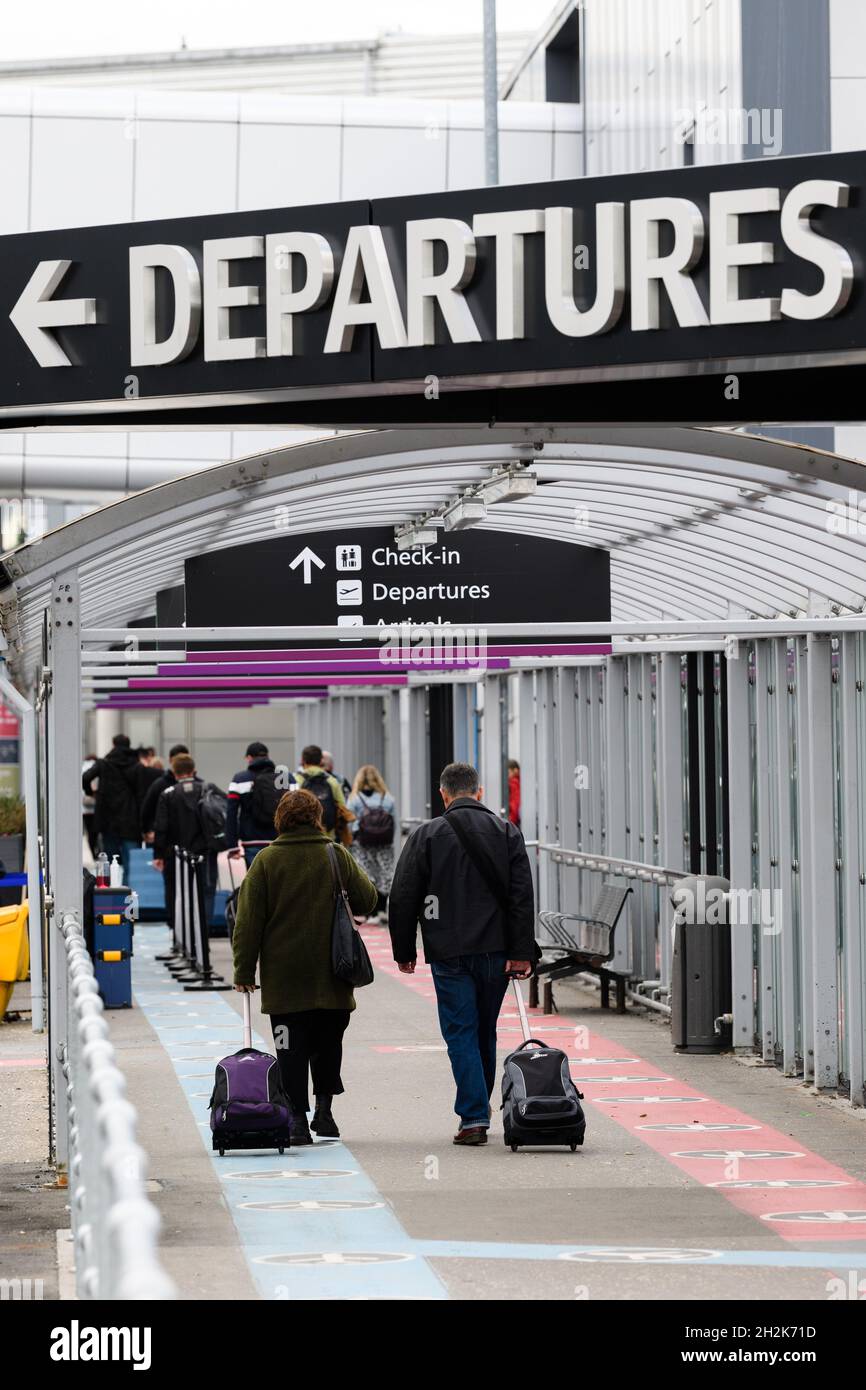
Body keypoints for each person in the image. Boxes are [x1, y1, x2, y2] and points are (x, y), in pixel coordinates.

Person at [389, 761, 536, 1147]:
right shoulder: (507, 832)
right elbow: (522, 896)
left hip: (448, 950)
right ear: (480, 792)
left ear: (443, 793)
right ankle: (476, 1110)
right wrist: (521, 951)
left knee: (460, 1031)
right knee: (484, 1030)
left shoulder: (427, 835)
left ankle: (473, 1116)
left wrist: (404, 949)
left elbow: (403, 895)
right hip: (496, 951)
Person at [232, 788, 378, 1144]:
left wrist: (244, 971)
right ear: (317, 817)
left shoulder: (266, 860)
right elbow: (368, 899)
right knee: (328, 1042)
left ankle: (297, 1120)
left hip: (285, 980)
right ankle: (325, 1112)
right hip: (334, 972)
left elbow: (248, 921)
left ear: (280, 818)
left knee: (290, 1048)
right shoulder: (336, 854)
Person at [152, 753, 218, 931]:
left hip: (176, 854)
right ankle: (202, 936)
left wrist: (158, 854)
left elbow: (161, 827)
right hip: (206, 852)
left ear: (174, 773)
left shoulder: (168, 794)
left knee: (177, 894)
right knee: (206, 893)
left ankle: (180, 937)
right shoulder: (208, 788)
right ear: (194, 771)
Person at [81, 733, 141, 878]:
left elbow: (86, 777)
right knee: (130, 860)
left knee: (108, 858)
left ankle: (111, 890)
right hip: (130, 817)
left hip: (108, 817)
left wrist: (91, 792)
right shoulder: (136, 765)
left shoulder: (104, 763)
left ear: (113, 745)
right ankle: (128, 892)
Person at [226, 741, 291, 864]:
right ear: (267, 756)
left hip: (251, 841)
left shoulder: (239, 779)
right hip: (280, 840)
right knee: (279, 881)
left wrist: (232, 846)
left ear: (249, 758)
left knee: (256, 881)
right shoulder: (287, 778)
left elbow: (231, 813)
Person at [347, 764, 396, 922]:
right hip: (384, 843)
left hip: (362, 842)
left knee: (367, 873)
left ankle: (372, 912)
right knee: (385, 873)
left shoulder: (355, 799)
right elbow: (393, 821)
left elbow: (349, 821)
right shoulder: (387, 798)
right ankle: (383, 910)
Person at [295, 745, 346, 842]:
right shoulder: (333, 782)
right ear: (321, 761)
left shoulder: (296, 780)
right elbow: (343, 809)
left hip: (303, 838)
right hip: (328, 838)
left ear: (302, 760)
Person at [82, 753, 99, 859]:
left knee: (90, 832)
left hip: (85, 808)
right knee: (96, 832)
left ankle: (92, 851)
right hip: (97, 806)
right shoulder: (97, 767)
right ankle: (96, 851)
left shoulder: (82, 767)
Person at [507, 759, 521, 827]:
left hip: (513, 821)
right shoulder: (520, 782)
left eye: (508, 773)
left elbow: (514, 804)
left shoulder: (513, 783)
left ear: (515, 770)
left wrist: (510, 821)